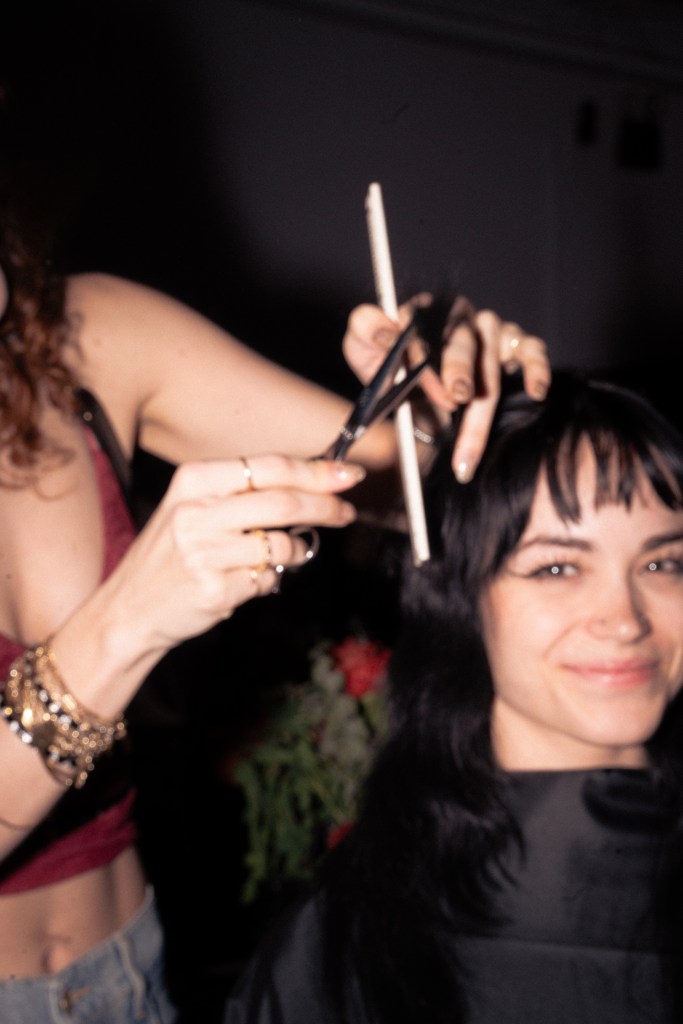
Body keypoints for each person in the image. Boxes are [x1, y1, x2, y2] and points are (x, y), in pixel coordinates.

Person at [0, 198, 549, 1024]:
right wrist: (125, 622)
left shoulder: (83, 335)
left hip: (131, 970)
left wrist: (439, 400)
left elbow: (393, 482)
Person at [223, 370, 683, 1024]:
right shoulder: (347, 939)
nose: (626, 619)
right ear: (461, 598)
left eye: (663, 563)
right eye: (556, 567)